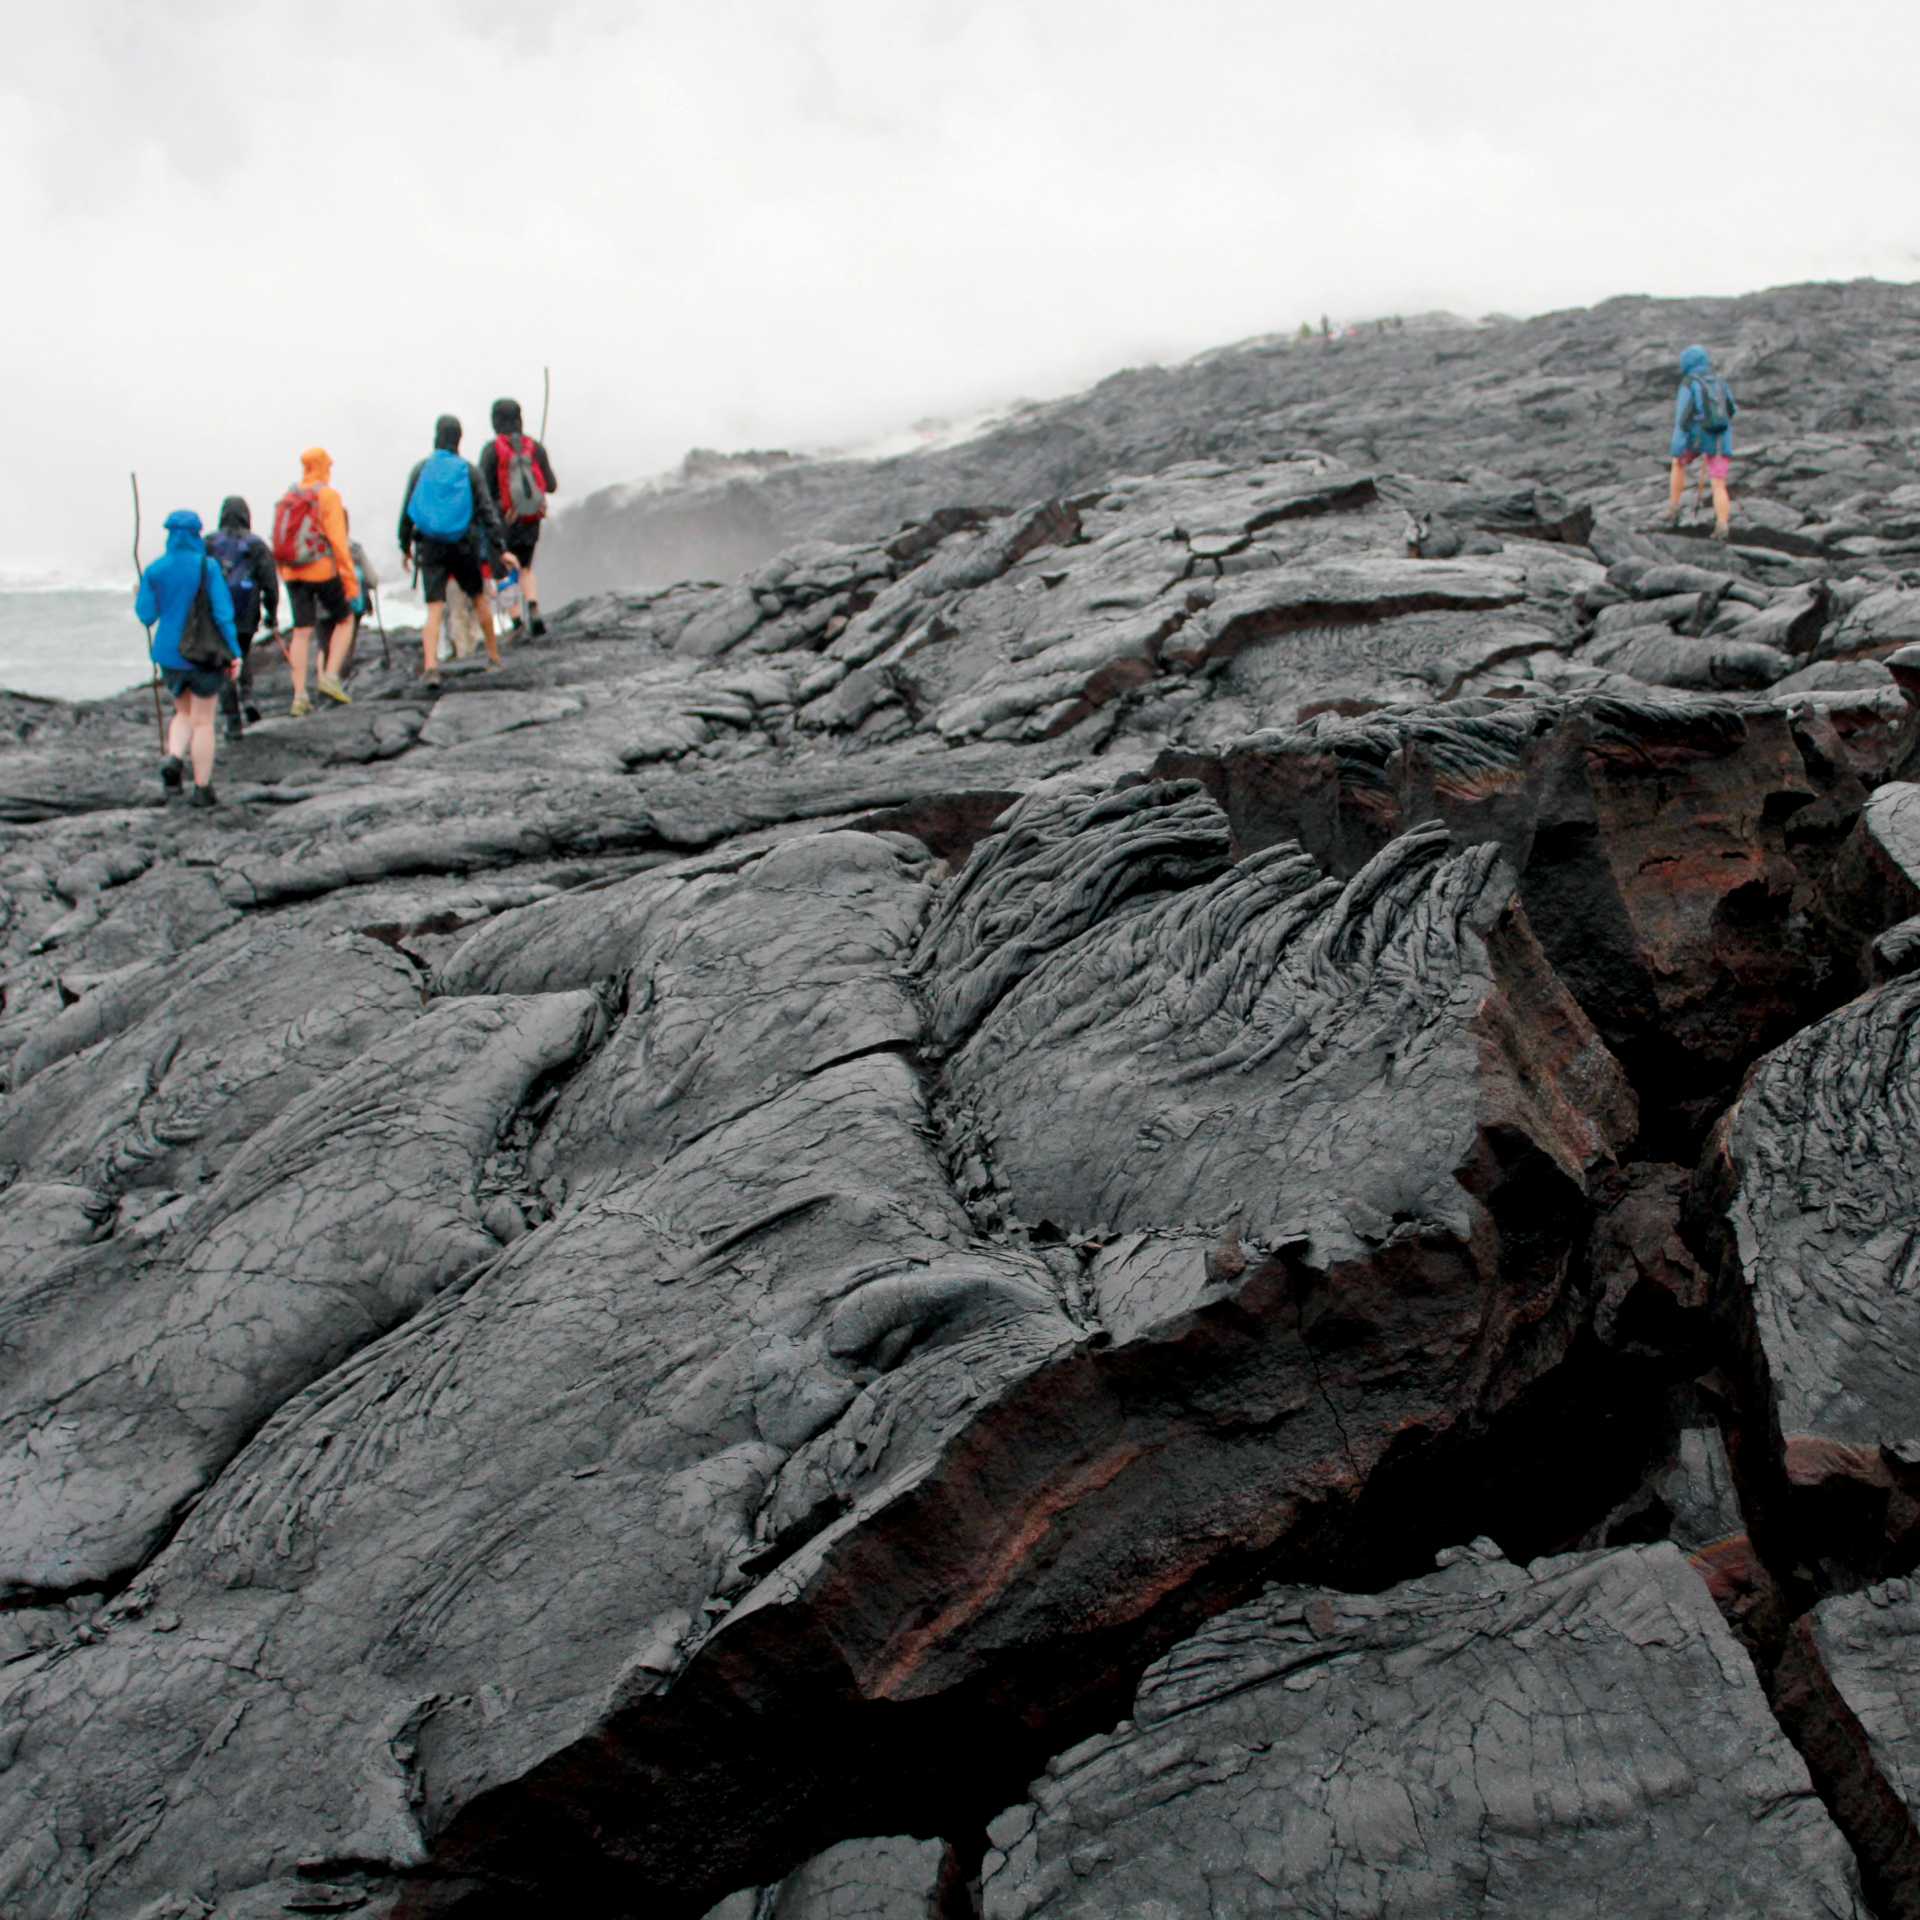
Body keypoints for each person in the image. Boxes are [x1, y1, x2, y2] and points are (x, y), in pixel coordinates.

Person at [134, 509, 240, 806]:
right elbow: (222, 614)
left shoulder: (155, 570)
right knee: (203, 721)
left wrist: (139, 593)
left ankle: (174, 758)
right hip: (204, 654)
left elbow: (146, 616)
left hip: (169, 655)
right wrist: (235, 652)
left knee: (182, 713)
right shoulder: (207, 567)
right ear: (196, 534)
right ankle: (202, 788)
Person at [398, 413, 506, 685]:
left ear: (436, 436)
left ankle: (431, 667)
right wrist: (499, 548)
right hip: (464, 545)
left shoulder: (421, 469)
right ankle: (493, 657)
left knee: (434, 608)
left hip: (430, 546)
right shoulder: (468, 470)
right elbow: (487, 513)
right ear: (459, 439)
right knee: (478, 598)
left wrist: (405, 546)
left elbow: (407, 513)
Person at [273, 447, 360, 714]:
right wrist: (350, 581)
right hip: (321, 569)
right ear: (322, 466)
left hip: (291, 571)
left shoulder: (289, 495)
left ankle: (299, 696)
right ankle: (330, 677)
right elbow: (338, 542)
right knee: (345, 619)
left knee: (301, 631)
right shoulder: (327, 495)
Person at [478, 397, 557, 636]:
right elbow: (551, 485)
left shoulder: (492, 451)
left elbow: (483, 491)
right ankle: (533, 605)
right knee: (526, 568)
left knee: (503, 571)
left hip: (503, 521)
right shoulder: (535, 448)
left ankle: (516, 622)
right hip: (530, 519)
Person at [205, 495, 279, 741]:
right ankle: (248, 696)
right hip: (247, 611)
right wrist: (272, 613)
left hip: (217, 614)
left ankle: (233, 720)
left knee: (225, 663)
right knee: (242, 654)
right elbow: (270, 582)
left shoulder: (210, 543)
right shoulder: (256, 544)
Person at [1668, 344, 1739, 541]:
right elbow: (1731, 409)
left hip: (1697, 438)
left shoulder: (1689, 383)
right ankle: (1722, 524)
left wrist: (1678, 448)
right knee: (1718, 483)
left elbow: (1682, 419)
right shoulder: (1720, 381)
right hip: (1720, 438)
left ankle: (1673, 509)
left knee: (1677, 463)